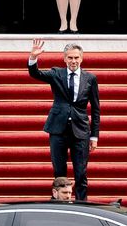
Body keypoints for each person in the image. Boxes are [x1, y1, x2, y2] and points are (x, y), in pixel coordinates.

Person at [28, 39, 100, 202]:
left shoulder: (90, 78)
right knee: (58, 171)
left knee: (81, 172)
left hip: (80, 130)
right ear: (64, 59)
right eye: (70, 58)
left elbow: (96, 109)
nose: (73, 61)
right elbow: (35, 74)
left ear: (81, 58)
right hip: (57, 129)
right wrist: (33, 58)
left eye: (76, 58)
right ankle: (58, 203)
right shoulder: (56, 73)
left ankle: (82, 204)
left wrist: (94, 136)